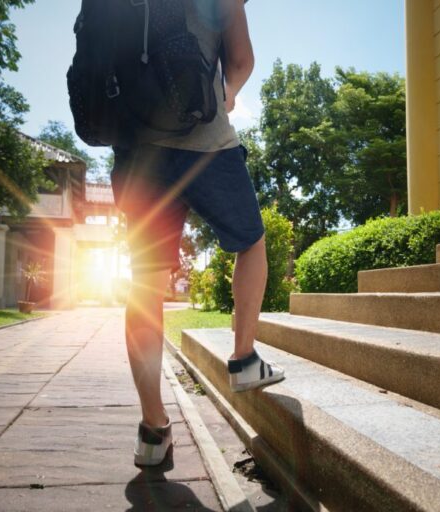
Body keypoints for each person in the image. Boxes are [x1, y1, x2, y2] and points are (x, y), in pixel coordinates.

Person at [110, 0, 284, 467]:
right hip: (205, 141)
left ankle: (152, 431)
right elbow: (242, 59)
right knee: (251, 242)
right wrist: (222, 94)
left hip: (137, 150)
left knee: (145, 282)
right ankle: (244, 359)